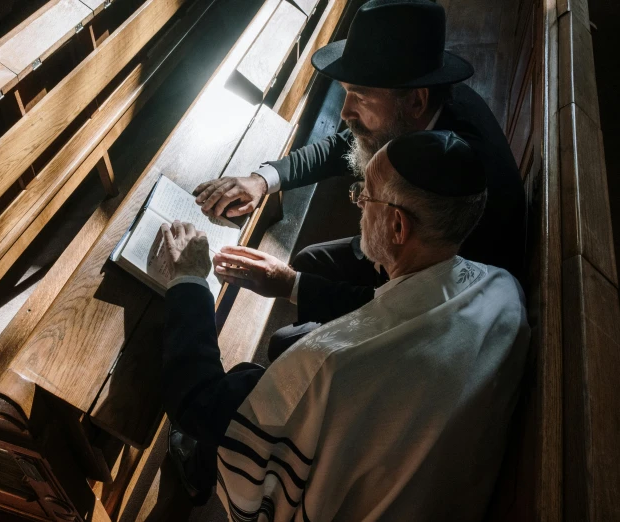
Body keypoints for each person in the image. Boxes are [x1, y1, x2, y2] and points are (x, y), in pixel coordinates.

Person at [160, 131, 530, 520]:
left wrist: (190, 280)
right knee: (281, 349)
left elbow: (194, 401)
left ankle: (196, 469)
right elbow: (387, 310)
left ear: (397, 228)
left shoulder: (331, 367)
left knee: (250, 381)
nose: (357, 204)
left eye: (364, 196)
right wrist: (289, 283)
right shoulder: (502, 288)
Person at [195, 0, 526, 358]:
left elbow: (414, 305)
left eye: (359, 95)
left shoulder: (460, 189)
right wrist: (264, 180)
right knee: (310, 259)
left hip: (446, 313)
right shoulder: (423, 102)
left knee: (286, 343)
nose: (344, 111)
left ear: (416, 101)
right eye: (346, 91)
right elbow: (348, 141)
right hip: (416, 262)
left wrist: (289, 285)